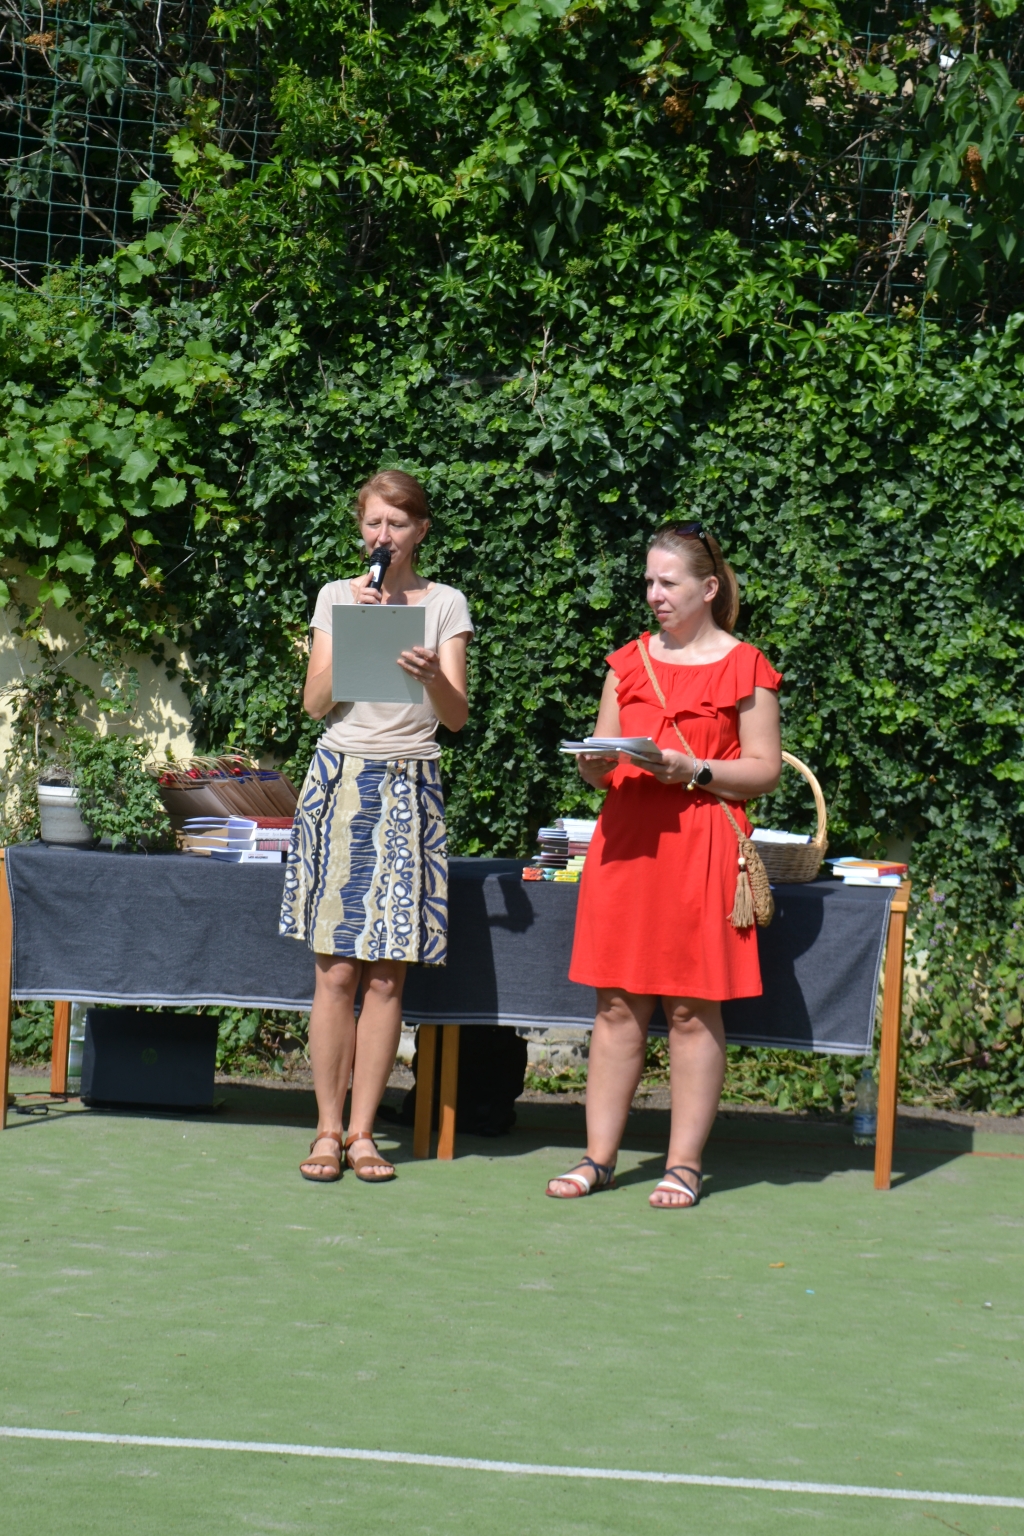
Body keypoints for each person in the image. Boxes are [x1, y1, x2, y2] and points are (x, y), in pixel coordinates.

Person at [546, 521, 782, 1209]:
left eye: (668, 582)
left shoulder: (747, 664)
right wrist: (594, 766)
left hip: (702, 847)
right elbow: (602, 761)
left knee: (690, 1007)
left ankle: (683, 1165)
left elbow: (765, 770)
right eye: (649, 581)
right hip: (626, 845)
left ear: (707, 588)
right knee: (616, 1003)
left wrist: (695, 768)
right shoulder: (627, 662)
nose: (654, 594)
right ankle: (598, 1158)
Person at [280, 470, 473, 1184]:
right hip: (340, 781)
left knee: (388, 973)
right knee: (335, 967)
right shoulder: (337, 596)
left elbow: (456, 717)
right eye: (372, 524)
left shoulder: (445, 603)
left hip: (409, 783)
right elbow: (314, 704)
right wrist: (355, 629)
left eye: (396, 524)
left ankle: (364, 1133)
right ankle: (326, 1130)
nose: (382, 536)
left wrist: (430, 675)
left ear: (421, 530)